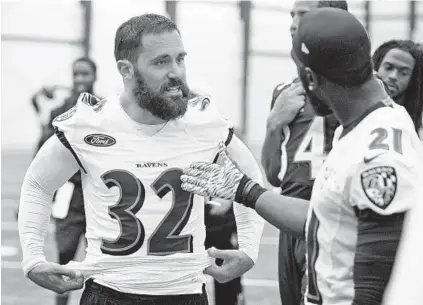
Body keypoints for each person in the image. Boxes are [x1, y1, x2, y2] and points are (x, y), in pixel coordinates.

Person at [181, 8, 423, 305]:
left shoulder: (380, 151)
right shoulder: (360, 127)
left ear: (309, 77)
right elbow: (325, 217)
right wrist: (244, 189)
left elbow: (376, 279)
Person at [18, 13, 264, 305]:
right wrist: (32, 258)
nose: (176, 72)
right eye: (161, 62)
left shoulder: (204, 121)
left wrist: (249, 249)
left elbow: (250, 175)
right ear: (127, 70)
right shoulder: (89, 124)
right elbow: (37, 184)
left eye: (180, 59)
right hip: (109, 292)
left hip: (184, 293)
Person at [261, 1, 347, 304]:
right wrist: (273, 124)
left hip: (336, 223)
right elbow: (272, 174)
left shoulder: (361, 86)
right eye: (291, 15)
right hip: (290, 219)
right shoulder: (286, 90)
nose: (293, 23)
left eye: (303, 15)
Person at [24, 57, 99, 305]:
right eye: (76, 74)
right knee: (64, 256)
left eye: (85, 74)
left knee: (99, 258)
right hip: (68, 196)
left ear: (94, 76)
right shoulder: (59, 112)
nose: (80, 80)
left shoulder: (105, 110)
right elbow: (41, 159)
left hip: (97, 196)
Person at [372, 39, 423, 136]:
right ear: (376, 67)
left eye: (404, 73)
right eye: (388, 67)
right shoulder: (349, 108)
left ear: (412, 80)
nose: (393, 76)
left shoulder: (410, 123)